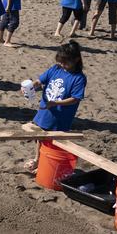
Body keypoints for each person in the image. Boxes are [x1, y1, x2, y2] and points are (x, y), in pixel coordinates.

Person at [22, 41, 86, 171]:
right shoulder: (56, 69)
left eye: (65, 62)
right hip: (45, 111)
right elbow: (40, 81)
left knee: (53, 141)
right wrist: (31, 86)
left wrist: (56, 103)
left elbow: (75, 98)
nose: (62, 65)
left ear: (76, 59)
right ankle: (37, 159)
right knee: (39, 137)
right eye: (60, 62)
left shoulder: (79, 78)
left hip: (61, 116)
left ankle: (45, 164)